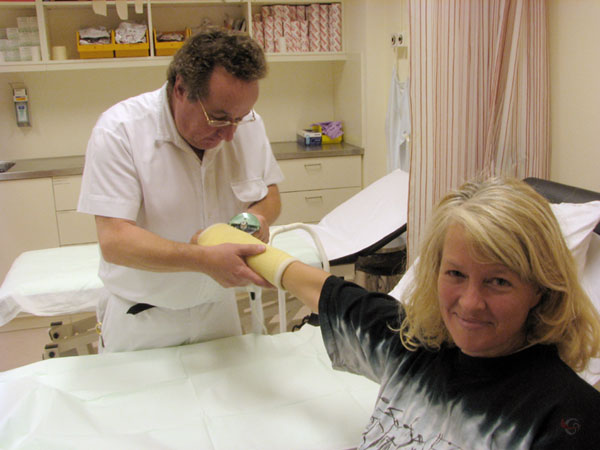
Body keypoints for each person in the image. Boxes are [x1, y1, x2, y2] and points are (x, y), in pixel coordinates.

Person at [199, 177, 600, 448]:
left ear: (540, 287)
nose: (470, 303)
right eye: (456, 274)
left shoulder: (565, 417)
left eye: (499, 281)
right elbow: (321, 288)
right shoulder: (412, 345)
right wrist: (215, 240)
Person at [78, 28, 283, 353]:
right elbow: (115, 241)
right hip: (144, 323)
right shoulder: (120, 131)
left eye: (239, 119)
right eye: (218, 118)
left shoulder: (247, 124)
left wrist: (255, 219)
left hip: (219, 314)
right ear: (180, 89)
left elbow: (269, 194)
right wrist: (203, 259)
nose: (230, 134)